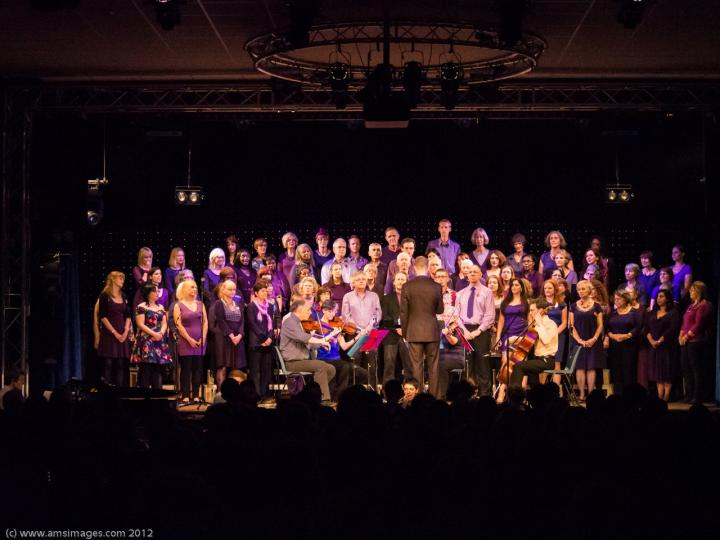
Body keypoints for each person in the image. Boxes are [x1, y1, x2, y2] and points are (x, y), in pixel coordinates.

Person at [400, 256, 444, 398]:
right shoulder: (436, 286)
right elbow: (440, 310)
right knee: (434, 366)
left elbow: (403, 313)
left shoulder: (407, 286)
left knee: (416, 366)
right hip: (431, 331)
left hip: (414, 331)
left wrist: (405, 333)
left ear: (413, 267)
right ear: (428, 267)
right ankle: (435, 398)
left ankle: (417, 398)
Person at [279, 299, 337, 404]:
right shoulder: (290, 322)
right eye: (308, 310)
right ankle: (323, 399)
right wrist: (322, 340)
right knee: (321, 365)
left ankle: (311, 393)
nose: (310, 313)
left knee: (331, 369)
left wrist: (321, 343)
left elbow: (308, 343)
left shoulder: (298, 323)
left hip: (301, 361)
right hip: (293, 363)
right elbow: (303, 338)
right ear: (299, 310)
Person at [454, 265, 495, 396]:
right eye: (470, 272)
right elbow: (457, 315)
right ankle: (467, 394)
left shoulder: (487, 292)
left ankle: (485, 395)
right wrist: (464, 331)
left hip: (481, 331)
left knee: (482, 364)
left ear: (480, 275)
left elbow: (490, 315)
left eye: (475, 272)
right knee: (467, 363)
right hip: (465, 330)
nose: (472, 274)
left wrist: (478, 331)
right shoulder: (460, 293)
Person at [315, 299, 368, 398]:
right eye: (330, 311)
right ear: (323, 311)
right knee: (346, 367)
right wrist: (331, 335)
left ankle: (343, 396)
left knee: (363, 373)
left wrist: (358, 337)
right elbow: (315, 343)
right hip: (324, 359)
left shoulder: (337, 325)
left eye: (334, 311)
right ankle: (339, 397)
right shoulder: (317, 326)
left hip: (337, 360)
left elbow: (344, 346)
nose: (332, 314)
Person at [342, 271, 382, 389]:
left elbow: (377, 313)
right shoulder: (347, 296)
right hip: (354, 334)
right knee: (356, 363)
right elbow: (346, 316)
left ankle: (373, 391)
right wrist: (359, 330)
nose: (361, 281)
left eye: (363, 279)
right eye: (358, 279)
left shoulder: (374, 296)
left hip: (371, 334)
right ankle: (356, 391)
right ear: (353, 282)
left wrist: (369, 328)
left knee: (372, 364)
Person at [508, 298, 559, 389]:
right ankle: (535, 394)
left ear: (540, 310)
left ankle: (515, 394)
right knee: (523, 370)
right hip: (537, 359)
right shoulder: (536, 325)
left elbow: (546, 340)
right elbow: (529, 340)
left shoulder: (551, 324)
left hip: (547, 361)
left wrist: (540, 324)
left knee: (519, 366)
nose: (530, 313)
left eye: (532, 310)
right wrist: (514, 339)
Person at [131, 283, 172, 389]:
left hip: (159, 340)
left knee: (157, 369)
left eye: (158, 291)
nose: (157, 293)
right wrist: (154, 334)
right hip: (147, 341)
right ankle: (145, 396)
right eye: (155, 291)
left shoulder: (161, 307)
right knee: (146, 369)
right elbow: (140, 324)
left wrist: (161, 333)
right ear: (148, 293)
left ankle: (157, 394)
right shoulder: (141, 306)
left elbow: (164, 323)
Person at [494, 278, 529, 402]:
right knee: (506, 365)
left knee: (521, 366)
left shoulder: (526, 302)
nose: (514, 287)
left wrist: (526, 337)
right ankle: (502, 394)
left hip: (522, 337)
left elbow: (530, 321)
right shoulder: (505, 302)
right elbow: (501, 322)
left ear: (521, 287)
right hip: (507, 336)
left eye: (517, 285)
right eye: (512, 285)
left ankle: (521, 394)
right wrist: (498, 337)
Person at [570, 280, 604, 401]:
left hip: (593, 339)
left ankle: (590, 394)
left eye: (583, 289)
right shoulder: (573, 306)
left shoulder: (596, 306)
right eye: (579, 289)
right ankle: (582, 394)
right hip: (578, 340)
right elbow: (571, 325)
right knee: (580, 367)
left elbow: (600, 325)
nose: (580, 291)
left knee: (591, 367)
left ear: (589, 290)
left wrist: (594, 338)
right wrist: (579, 340)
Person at [173, 280, 208, 402]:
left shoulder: (200, 304)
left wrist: (203, 337)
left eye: (195, 287)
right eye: (191, 287)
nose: (194, 289)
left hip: (200, 341)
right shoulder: (178, 305)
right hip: (185, 341)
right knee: (186, 368)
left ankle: (196, 395)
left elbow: (205, 322)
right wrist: (189, 339)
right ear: (184, 290)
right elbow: (178, 325)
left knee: (197, 368)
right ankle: (186, 394)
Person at [96, 271, 132, 387]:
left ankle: (119, 392)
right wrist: (115, 333)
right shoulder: (104, 296)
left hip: (122, 333)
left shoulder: (124, 296)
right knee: (108, 363)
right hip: (109, 334)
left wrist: (125, 331)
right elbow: (103, 317)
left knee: (121, 364)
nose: (122, 281)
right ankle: (107, 393)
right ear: (113, 280)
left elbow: (128, 315)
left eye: (123, 278)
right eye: (120, 278)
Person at [679, 281, 713, 404]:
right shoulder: (690, 306)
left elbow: (699, 324)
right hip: (685, 341)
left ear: (699, 291)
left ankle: (697, 396)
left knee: (696, 369)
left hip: (696, 341)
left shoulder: (705, 305)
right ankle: (688, 395)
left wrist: (686, 337)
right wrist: (680, 335)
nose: (690, 292)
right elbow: (685, 323)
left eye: (692, 290)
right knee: (686, 368)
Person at [604, 288, 642, 395]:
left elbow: (638, 327)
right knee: (616, 371)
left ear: (625, 299)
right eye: (615, 299)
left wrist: (627, 335)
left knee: (628, 370)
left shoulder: (633, 313)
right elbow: (606, 327)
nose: (616, 301)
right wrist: (612, 335)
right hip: (615, 345)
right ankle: (618, 394)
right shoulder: (613, 313)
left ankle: (629, 395)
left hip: (629, 345)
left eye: (619, 299)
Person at [211, 280, 247, 388]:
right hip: (224, 338)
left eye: (234, 289)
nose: (232, 291)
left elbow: (242, 321)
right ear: (223, 289)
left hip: (237, 338)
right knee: (222, 366)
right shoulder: (218, 303)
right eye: (230, 289)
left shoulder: (238, 304)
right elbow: (221, 321)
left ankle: (234, 392)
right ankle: (221, 393)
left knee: (236, 367)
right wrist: (231, 335)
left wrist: (240, 335)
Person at [646, 289, 680, 402]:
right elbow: (646, 328)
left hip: (667, 347)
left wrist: (661, 340)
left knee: (667, 372)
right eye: (658, 297)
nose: (658, 299)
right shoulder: (652, 312)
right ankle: (660, 397)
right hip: (654, 346)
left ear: (667, 298)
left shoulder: (673, 313)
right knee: (657, 373)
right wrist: (651, 340)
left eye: (661, 296)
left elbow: (672, 329)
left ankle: (666, 397)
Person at [245, 282, 277, 400]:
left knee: (266, 370)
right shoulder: (251, 306)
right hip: (256, 342)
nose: (265, 293)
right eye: (262, 291)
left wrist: (269, 338)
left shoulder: (270, 306)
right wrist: (263, 338)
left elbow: (272, 324)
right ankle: (256, 395)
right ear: (256, 293)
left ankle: (265, 394)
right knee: (255, 370)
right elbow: (252, 324)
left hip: (267, 342)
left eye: (266, 290)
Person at [380, 271, 411, 384]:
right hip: (390, 335)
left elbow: (414, 316)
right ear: (393, 282)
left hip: (407, 335)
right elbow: (384, 318)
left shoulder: (411, 298)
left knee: (409, 365)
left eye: (403, 279)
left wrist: (405, 329)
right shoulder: (386, 299)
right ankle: (387, 391)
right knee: (389, 364)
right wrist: (396, 328)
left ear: (407, 282)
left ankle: (410, 390)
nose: (400, 281)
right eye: (398, 279)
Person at [544, 279, 568, 386]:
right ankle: (543, 388)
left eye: (549, 288)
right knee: (543, 363)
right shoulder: (540, 303)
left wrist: (554, 334)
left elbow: (564, 323)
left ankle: (555, 390)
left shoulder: (562, 304)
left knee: (557, 364)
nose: (547, 290)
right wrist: (546, 335)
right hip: (544, 337)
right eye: (545, 288)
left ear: (555, 289)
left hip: (558, 336)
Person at [438, 319, 466, 400]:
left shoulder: (459, 330)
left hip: (456, 359)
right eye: (445, 316)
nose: (446, 318)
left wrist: (448, 335)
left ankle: (441, 396)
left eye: (448, 316)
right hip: (443, 358)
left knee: (442, 365)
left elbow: (454, 341)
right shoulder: (441, 329)